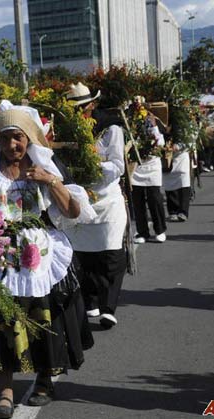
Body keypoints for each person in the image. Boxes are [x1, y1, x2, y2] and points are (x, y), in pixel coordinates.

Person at [0, 102, 95, 416]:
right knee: (0, 322)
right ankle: (4, 393)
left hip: (40, 257)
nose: (11, 145)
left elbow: (73, 212)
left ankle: (45, 380)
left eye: (17, 137)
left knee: (43, 320)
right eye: (5, 138)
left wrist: (50, 181)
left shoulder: (45, 164)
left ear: (29, 138)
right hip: (0, 256)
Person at [63, 83, 128, 328]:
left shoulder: (110, 128)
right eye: (74, 109)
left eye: (83, 107)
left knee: (110, 252)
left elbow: (117, 166)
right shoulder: (65, 129)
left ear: (92, 104)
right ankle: (90, 302)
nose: (80, 113)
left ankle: (108, 306)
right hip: (80, 198)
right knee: (83, 254)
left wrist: (91, 164)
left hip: (107, 198)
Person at [130, 97, 167, 243]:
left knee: (154, 198)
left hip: (152, 164)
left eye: (140, 105)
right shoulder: (129, 122)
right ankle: (142, 232)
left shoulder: (153, 120)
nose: (138, 108)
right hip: (136, 165)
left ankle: (160, 229)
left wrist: (154, 129)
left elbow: (161, 141)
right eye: (135, 106)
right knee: (137, 200)